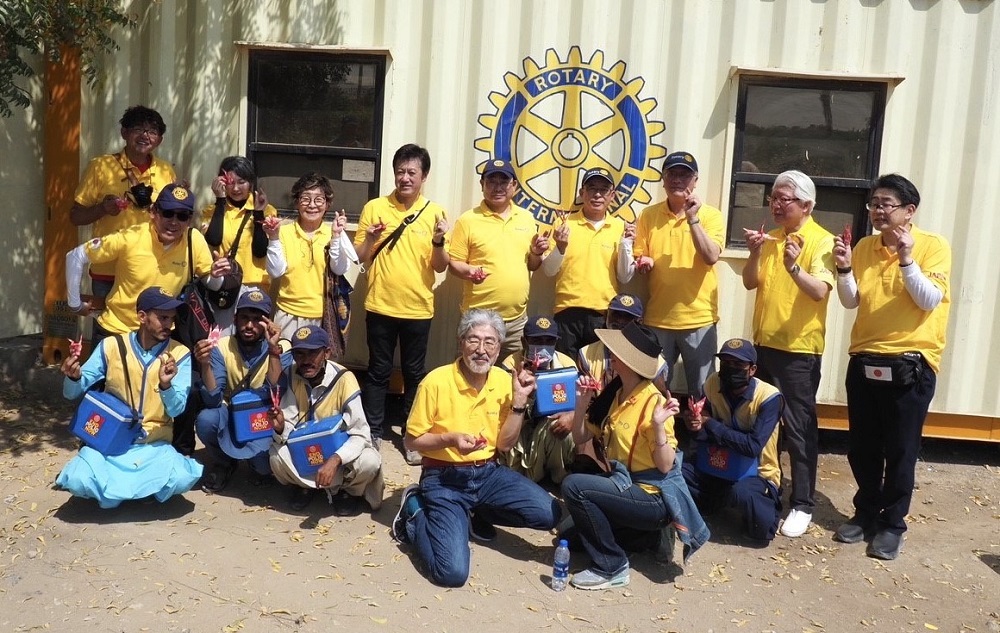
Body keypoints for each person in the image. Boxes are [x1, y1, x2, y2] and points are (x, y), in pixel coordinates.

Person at [391, 309, 561, 587]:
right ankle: (415, 509)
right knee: (451, 573)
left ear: (498, 349)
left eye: (489, 342)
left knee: (548, 513)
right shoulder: (436, 381)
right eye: (473, 340)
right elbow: (412, 441)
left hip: (487, 474)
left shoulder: (504, 381)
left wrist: (519, 402)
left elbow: (505, 445)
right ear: (460, 343)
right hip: (444, 478)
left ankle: (476, 513)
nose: (481, 350)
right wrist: (449, 439)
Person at [833, 174, 951, 560]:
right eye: (873, 204)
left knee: (901, 449)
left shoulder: (932, 246)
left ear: (909, 210)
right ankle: (865, 513)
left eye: (886, 203)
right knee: (863, 447)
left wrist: (906, 258)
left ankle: (892, 524)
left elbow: (929, 299)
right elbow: (851, 303)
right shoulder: (865, 246)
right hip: (865, 358)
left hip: (911, 363)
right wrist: (845, 269)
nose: (877, 211)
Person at [560, 322, 709, 590]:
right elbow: (581, 436)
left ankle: (611, 566)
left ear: (628, 361)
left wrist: (659, 425)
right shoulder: (615, 394)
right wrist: (581, 403)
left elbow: (665, 466)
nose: (610, 355)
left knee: (575, 487)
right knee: (572, 538)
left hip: (652, 495)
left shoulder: (654, 402)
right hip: (625, 485)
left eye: (616, 352)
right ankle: (647, 538)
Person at [741, 170, 835, 539]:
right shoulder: (773, 238)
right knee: (764, 426)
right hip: (764, 344)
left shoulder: (821, 242)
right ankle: (770, 487)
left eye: (785, 199)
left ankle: (803, 503)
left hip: (799, 351)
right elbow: (751, 282)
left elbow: (819, 292)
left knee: (799, 429)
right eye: (773, 198)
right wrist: (754, 253)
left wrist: (794, 266)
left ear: (807, 206)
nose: (777, 205)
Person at [54, 286, 202, 508]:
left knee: (181, 477)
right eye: (162, 317)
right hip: (111, 444)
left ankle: (119, 492)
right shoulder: (111, 346)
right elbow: (71, 393)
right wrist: (73, 377)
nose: (168, 325)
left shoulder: (179, 354)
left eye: (171, 319)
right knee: (77, 479)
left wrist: (166, 385)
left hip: (154, 447)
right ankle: (138, 492)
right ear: (142, 317)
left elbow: (176, 410)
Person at [353, 144, 449, 460]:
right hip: (380, 305)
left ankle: (412, 436)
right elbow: (359, 257)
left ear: (424, 176)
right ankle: (374, 433)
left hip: (418, 308)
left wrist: (438, 240)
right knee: (378, 371)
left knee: (414, 373)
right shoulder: (375, 207)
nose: (404, 178)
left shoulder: (436, 213)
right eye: (400, 171)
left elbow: (439, 266)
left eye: (411, 172)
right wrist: (369, 236)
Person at [66, 184, 230, 348]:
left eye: (182, 216)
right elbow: (76, 256)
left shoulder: (194, 240)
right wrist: (74, 304)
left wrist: (216, 276)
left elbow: (214, 285)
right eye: (167, 213)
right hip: (117, 332)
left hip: (160, 336)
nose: (174, 222)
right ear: (153, 212)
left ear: (190, 219)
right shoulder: (131, 237)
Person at [625, 151, 724, 399]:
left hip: (699, 319)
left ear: (695, 180)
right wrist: (643, 261)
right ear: (663, 179)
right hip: (658, 319)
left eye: (684, 175)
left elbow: (711, 256)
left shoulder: (711, 216)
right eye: (672, 174)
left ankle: (700, 438)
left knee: (702, 395)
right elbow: (640, 255)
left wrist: (693, 219)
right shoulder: (648, 215)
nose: (678, 180)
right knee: (653, 393)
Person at [267, 325, 384, 515]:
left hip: (338, 454)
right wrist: (280, 426)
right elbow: (289, 427)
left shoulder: (345, 379)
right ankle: (308, 487)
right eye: (300, 354)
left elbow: (360, 434)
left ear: (326, 353)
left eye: (312, 354)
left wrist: (335, 460)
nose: (305, 361)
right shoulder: (291, 374)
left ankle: (345, 492)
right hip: (307, 451)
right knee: (276, 457)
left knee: (369, 461)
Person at [70, 106, 177, 305]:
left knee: (147, 332)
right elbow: (75, 217)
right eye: (138, 129)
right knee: (106, 330)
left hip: (150, 267)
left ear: (160, 139)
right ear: (124, 132)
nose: (145, 136)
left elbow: (172, 219)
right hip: (108, 269)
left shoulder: (166, 170)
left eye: (152, 132)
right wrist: (102, 209)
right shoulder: (100, 166)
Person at [681, 339, 785, 543]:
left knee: (758, 529)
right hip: (717, 465)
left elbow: (753, 446)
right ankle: (714, 502)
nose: (731, 369)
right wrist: (693, 426)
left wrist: (710, 424)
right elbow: (701, 434)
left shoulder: (769, 398)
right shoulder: (712, 383)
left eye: (738, 365)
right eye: (726, 363)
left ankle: (764, 508)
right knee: (677, 472)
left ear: (752, 369)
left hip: (757, 472)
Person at [448, 160, 548, 359]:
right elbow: (453, 264)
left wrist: (536, 254)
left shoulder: (527, 218)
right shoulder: (467, 220)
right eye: (491, 181)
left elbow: (532, 265)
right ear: (482, 185)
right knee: (473, 375)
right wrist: (469, 271)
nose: (498, 187)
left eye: (504, 182)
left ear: (514, 186)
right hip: (478, 321)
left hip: (517, 322)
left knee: (514, 379)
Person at [194, 290, 290, 492]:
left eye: (257, 320)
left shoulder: (282, 347)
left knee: (263, 468)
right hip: (230, 414)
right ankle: (224, 463)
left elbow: (277, 391)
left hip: (263, 418)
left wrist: (273, 350)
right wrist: (205, 365)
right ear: (235, 319)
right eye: (244, 318)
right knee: (206, 419)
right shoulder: (221, 346)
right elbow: (213, 399)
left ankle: (258, 465)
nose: (249, 325)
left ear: (268, 323)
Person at [540, 167, 630, 358]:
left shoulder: (621, 227)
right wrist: (561, 247)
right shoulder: (564, 223)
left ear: (612, 195)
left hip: (603, 314)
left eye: (603, 190)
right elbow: (548, 270)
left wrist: (626, 244)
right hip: (566, 314)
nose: (597, 195)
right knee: (566, 376)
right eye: (591, 188)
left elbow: (625, 275)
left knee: (598, 378)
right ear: (582, 193)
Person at [264, 173, 357, 340]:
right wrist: (273, 238)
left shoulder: (333, 233)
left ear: (328, 204)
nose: (312, 205)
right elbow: (275, 271)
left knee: (317, 365)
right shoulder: (283, 232)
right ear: (297, 202)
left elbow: (340, 268)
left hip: (323, 316)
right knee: (285, 363)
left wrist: (336, 237)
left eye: (319, 199)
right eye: (305, 199)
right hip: (287, 314)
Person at [201, 156, 278, 332]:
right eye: (230, 182)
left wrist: (258, 213)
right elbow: (213, 240)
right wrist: (220, 201)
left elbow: (260, 251)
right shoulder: (211, 211)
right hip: (224, 286)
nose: (235, 188)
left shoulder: (268, 210)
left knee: (251, 336)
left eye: (241, 182)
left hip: (254, 285)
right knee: (222, 339)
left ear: (251, 182)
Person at [498, 315, 576, 484]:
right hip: (521, 433)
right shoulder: (509, 366)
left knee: (559, 425)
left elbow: (581, 403)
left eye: (549, 341)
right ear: (524, 341)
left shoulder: (568, 365)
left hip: (549, 432)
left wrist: (572, 415)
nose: (543, 346)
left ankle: (559, 479)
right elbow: (504, 415)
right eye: (537, 340)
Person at [577, 293, 645, 390]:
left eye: (628, 317)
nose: (621, 321)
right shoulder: (586, 353)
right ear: (605, 316)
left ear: (640, 322)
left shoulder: (651, 357)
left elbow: (658, 395)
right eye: (616, 314)